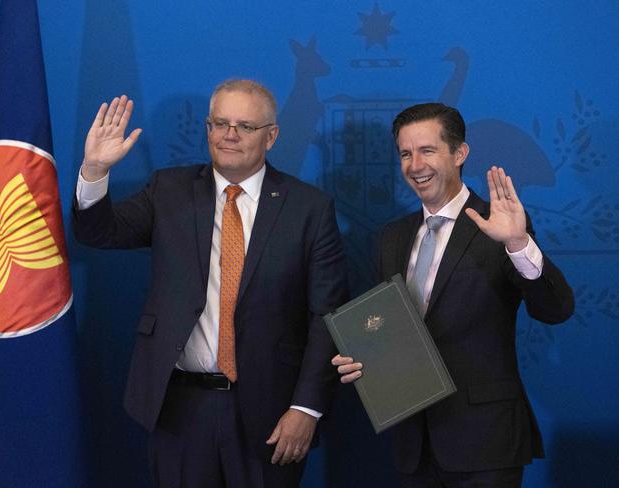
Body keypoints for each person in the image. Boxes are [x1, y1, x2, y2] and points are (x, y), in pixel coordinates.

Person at [73, 79, 348, 487]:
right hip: (179, 407)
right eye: (220, 123)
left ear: (271, 136)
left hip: (271, 411)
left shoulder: (309, 208)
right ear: (207, 130)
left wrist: (305, 408)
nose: (229, 134)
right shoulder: (169, 190)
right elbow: (101, 232)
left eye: (244, 126)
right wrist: (95, 171)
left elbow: (328, 315)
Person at [332, 103, 574, 487]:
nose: (415, 165)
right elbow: (392, 330)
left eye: (427, 151)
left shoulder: (500, 225)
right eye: (406, 154)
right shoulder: (391, 237)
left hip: (486, 442)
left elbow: (556, 308)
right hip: (413, 442)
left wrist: (518, 242)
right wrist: (364, 357)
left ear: (459, 153)